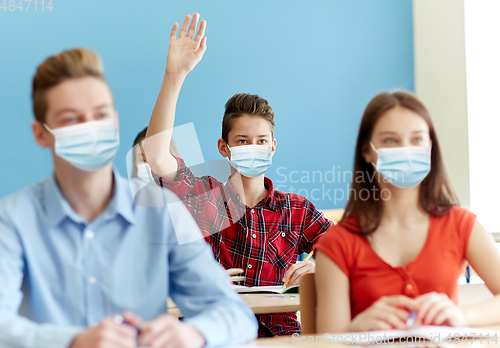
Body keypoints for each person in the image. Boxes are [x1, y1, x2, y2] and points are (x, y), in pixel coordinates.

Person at [0, 47, 258, 348]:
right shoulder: (13, 219)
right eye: (72, 119)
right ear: (41, 134)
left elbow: (234, 315)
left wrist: (193, 333)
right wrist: (73, 342)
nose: (91, 128)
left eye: (100, 114)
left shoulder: (162, 213)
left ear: (116, 120)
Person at [141, 13, 332, 337]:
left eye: (260, 141)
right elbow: (157, 156)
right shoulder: (202, 197)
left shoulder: (296, 210)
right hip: (213, 336)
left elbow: (346, 248)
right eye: (242, 141)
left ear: (273, 147)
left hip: (281, 338)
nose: (252, 148)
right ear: (224, 147)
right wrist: (174, 75)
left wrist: (319, 267)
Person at [314, 91, 500, 333]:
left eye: (417, 139)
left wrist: (462, 315)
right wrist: (354, 330)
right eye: (390, 140)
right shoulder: (338, 243)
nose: (406, 150)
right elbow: (328, 339)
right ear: (366, 151)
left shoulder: (461, 224)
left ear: (430, 147)